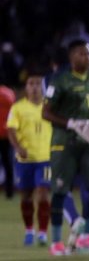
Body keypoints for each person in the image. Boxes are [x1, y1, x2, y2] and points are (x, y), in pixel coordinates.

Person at [42, 39, 89, 256]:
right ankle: (56, 243)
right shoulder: (60, 80)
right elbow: (46, 113)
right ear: (71, 57)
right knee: (61, 190)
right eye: (82, 54)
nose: (87, 57)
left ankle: (85, 238)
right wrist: (71, 123)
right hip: (64, 142)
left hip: (88, 140)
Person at [7, 71, 51, 246]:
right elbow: (11, 129)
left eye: (38, 84)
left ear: (44, 87)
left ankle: (42, 233)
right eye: (31, 84)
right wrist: (18, 147)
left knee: (43, 195)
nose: (34, 88)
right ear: (26, 87)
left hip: (45, 158)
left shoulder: (50, 107)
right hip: (25, 160)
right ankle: (29, 230)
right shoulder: (18, 108)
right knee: (26, 196)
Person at [0, 80, 13, 199]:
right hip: (5, 133)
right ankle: (9, 191)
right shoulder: (9, 93)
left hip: (3, 132)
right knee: (7, 163)